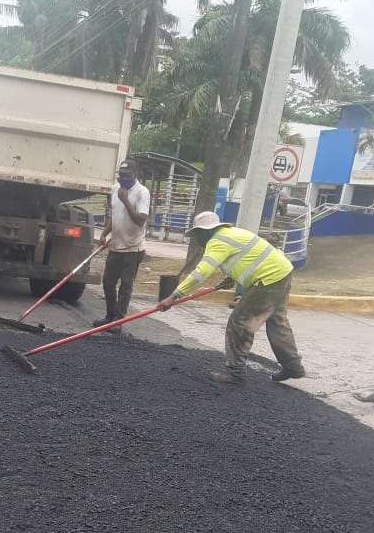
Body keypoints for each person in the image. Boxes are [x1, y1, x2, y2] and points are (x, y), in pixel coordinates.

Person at [159, 211, 306, 384]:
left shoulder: (217, 241)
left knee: (239, 323)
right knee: (277, 323)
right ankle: (293, 367)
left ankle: (235, 373)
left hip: (269, 280)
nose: (196, 239)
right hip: (282, 273)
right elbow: (246, 258)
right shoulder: (231, 234)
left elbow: (201, 273)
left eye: (197, 234)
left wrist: (174, 296)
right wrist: (231, 278)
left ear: (205, 231)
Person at [94, 161, 151, 334]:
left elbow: (140, 220)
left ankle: (118, 320)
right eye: (121, 175)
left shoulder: (142, 192)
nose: (123, 179)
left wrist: (125, 199)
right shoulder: (115, 189)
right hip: (115, 246)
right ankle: (110, 316)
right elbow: (115, 216)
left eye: (127, 175)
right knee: (108, 283)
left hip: (133, 248)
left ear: (135, 174)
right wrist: (104, 234)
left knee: (125, 285)